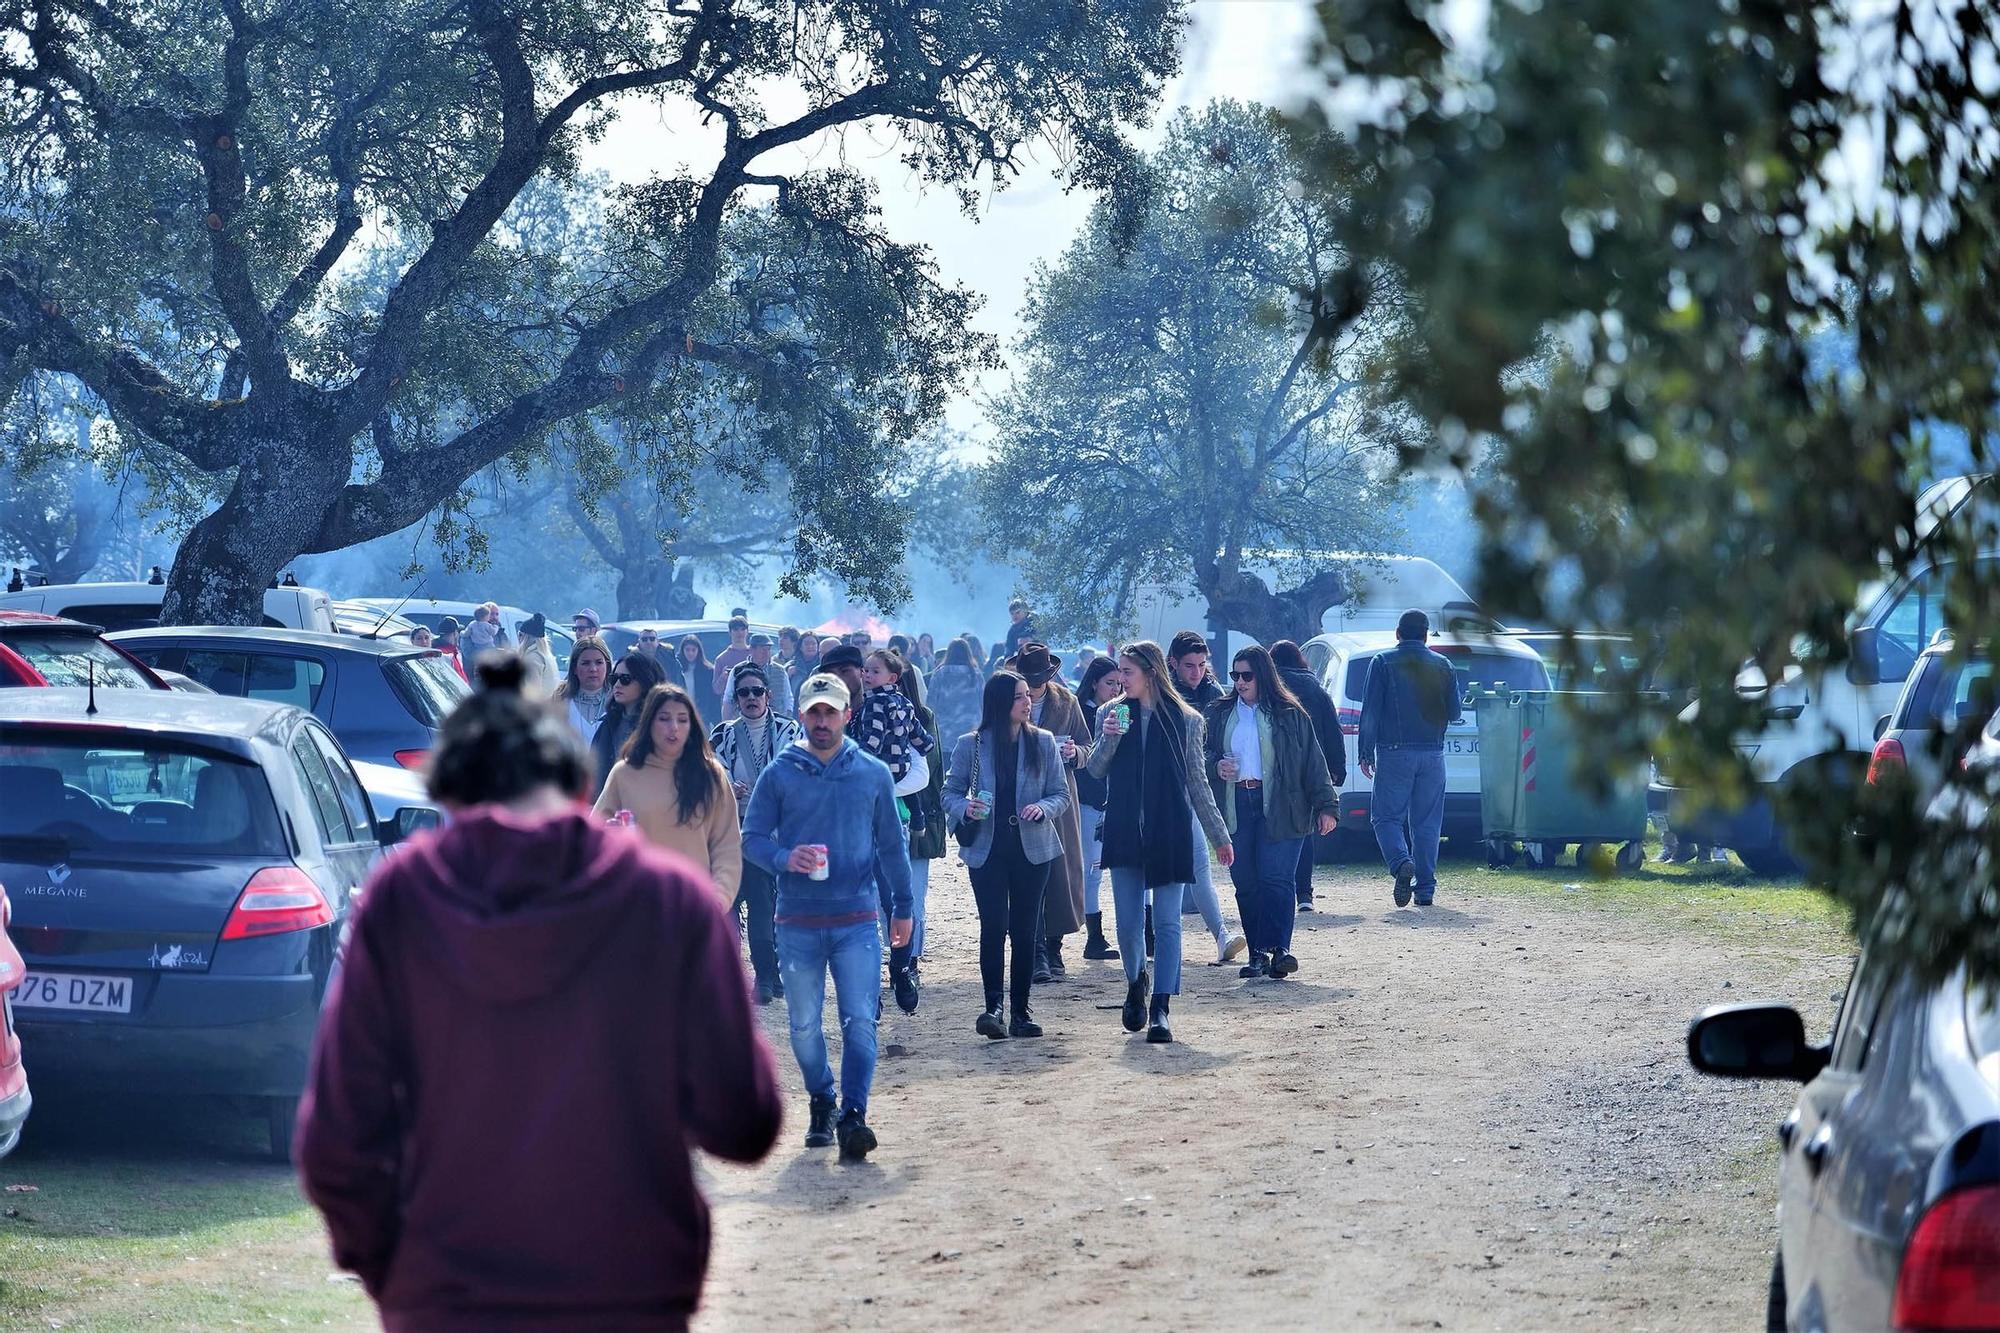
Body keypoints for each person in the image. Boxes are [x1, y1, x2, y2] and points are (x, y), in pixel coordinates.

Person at [296, 653, 780, 1329]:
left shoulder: (400, 906)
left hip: (448, 1292)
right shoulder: (669, 905)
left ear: (453, 794)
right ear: (578, 785)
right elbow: (743, 1121)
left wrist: (393, 1269)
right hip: (626, 1287)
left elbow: (337, 1141)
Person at [741, 674, 913, 1161]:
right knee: (802, 1025)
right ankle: (822, 1097)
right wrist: (783, 858)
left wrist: (903, 908)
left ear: (846, 714)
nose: (822, 721)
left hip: (858, 918)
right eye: (813, 712)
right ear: (800, 714)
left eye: (830, 712)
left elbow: (891, 846)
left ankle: (853, 1115)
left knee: (860, 1021)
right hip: (796, 921)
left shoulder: (873, 772)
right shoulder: (780, 773)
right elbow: (751, 839)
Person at [1086, 641, 1233, 1044]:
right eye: (1118, 673)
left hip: (1170, 831)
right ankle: (1137, 981)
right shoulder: (1110, 712)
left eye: (1128, 672)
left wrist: (1219, 835)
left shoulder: (1187, 719)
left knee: (1167, 923)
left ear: (1150, 672)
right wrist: (1110, 738)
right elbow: (1096, 769)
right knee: (1130, 923)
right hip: (1124, 831)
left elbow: (1198, 783)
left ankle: (1162, 1008)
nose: (1120, 679)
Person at [943, 671, 1071, 1039]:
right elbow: (948, 792)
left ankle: (1020, 1011)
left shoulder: (1043, 742)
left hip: (1034, 850)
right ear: (1000, 703)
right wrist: (965, 807)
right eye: (1019, 697)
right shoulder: (972, 744)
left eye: (1027, 696)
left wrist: (1043, 808)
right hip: (987, 849)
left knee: (1025, 930)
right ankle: (992, 1008)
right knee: (994, 927)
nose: (1027, 701)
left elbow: (1060, 793)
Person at [1205, 646, 1339, 980]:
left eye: (1246, 675)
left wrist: (1327, 806)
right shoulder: (1220, 712)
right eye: (1234, 675)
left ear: (1263, 675)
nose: (1239, 682)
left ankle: (1280, 950)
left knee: (1277, 880)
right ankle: (1257, 954)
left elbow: (1313, 761)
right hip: (1237, 804)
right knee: (1247, 884)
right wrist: (1215, 765)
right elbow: (1200, 752)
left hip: (1283, 804)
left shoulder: (1291, 713)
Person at [594, 684, 741, 904]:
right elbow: (593, 838)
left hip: (694, 907)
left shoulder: (711, 774)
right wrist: (610, 836)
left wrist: (717, 900)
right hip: (636, 907)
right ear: (649, 723)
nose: (674, 727)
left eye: (682, 720)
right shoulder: (624, 773)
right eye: (664, 718)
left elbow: (727, 847)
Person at [1358, 610, 1462, 908]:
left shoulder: (1382, 662)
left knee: (1385, 817)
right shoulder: (1444, 665)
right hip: (1433, 754)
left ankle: (1402, 862)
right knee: (1427, 823)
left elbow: (1371, 712)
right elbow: (1454, 713)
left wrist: (1365, 751)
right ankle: (1426, 889)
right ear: (1426, 635)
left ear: (1397, 633)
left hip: (1393, 753)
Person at [711, 663, 801, 1004]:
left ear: (769, 695)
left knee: (764, 905)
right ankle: (738, 975)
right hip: (730, 831)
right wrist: (725, 786)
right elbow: (711, 769)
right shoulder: (721, 734)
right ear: (735, 699)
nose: (750, 698)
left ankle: (766, 976)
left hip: (772, 833)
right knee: (727, 905)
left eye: (756, 691)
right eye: (743, 692)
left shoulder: (789, 730)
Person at [1009, 644, 1091, 983]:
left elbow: (1089, 745)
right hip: (1021, 794)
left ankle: (1053, 945)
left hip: (1059, 795)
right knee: (1028, 870)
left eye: (1038, 680)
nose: (1034, 687)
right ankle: (1036, 949)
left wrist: (1074, 753)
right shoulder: (1008, 698)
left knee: (1061, 871)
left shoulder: (1067, 702)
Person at [1166, 629, 1246, 963]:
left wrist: (1220, 764)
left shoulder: (1215, 694)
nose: (1196, 672)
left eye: (1201, 664)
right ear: (1172, 664)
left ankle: (1221, 934)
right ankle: (1149, 937)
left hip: (1195, 791)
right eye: (1189, 665)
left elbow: (1214, 746)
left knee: (1200, 866)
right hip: (1158, 793)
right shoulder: (1158, 697)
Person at [1272, 639, 1347, 912]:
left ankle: (1280, 886)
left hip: (1277, 768)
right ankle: (1304, 894)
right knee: (1305, 832)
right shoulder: (1315, 688)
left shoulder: (1269, 687)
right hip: (1311, 769)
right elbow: (1332, 730)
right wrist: (1337, 767)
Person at [1074, 654, 1122, 960]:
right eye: (1109, 683)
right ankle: (1094, 936)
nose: (1115, 688)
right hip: (1089, 799)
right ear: (1094, 683)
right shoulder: (1081, 713)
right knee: (1090, 871)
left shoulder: (1123, 711)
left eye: (1119, 682)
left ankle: (1143, 931)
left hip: (1115, 799)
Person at [591, 652, 668, 791]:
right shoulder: (607, 724)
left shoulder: (659, 726)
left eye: (625, 679)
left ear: (645, 681)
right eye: (614, 679)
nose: (617, 685)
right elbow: (594, 775)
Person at [554, 635, 615, 747]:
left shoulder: (618, 700)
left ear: (607, 666)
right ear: (575, 668)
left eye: (599, 662)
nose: (593, 669)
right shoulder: (560, 700)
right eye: (585, 663)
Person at [928, 638, 985, 748]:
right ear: (968, 654)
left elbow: (931, 704)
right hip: (971, 730)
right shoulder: (976, 674)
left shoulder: (939, 674)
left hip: (944, 731)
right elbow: (983, 702)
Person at [722, 634, 793, 720]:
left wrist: (787, 720)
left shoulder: (780, 671)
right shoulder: (737, 671)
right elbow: (728, 699)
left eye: (768, 650)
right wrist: (726, 724)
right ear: (752, 650)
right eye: (762, 650)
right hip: (744, 723)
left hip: (775, 723)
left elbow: (788, 698)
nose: (766, 653)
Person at [676, 634, 720, 721]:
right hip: (680, 713)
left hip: (702, 716)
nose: (690, 653)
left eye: (693, 650)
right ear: (682, 650)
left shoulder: (707, 671)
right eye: (687, 650)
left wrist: (714, 719)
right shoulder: (676, 668)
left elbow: (713, 699)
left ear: (698, 651)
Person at [516, 613, 560, 698]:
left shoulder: (532, 659)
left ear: (525, 637)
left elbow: (532, 692)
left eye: (520, 635)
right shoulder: (546, 655)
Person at [711, 616, 753, 704]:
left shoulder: (755, 654)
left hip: (754, 702)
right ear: (730, 632)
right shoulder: (721, 659)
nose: (739, 633)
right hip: (731, 706)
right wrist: (723, 677)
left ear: (747, 631)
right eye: (736, 629)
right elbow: (717, 690)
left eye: (742, 629)